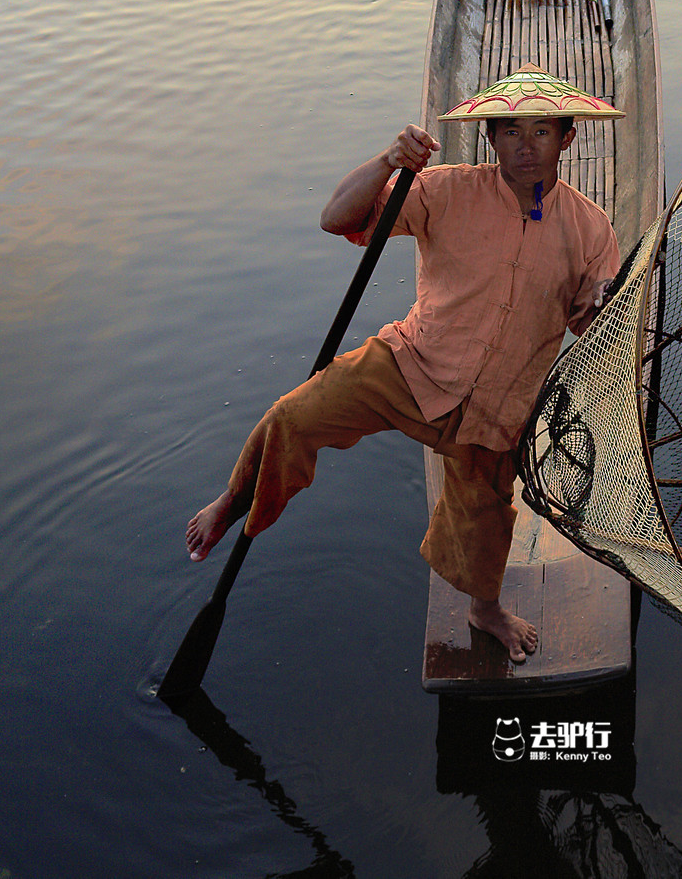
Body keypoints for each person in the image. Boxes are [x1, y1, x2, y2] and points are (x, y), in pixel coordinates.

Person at [184, 71, 623, 662]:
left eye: (542, 131)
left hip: (501, 404)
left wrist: (601, 304)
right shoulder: (443, 191)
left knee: (487, 520)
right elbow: (337, 218)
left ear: (566, 140)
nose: (526, 145)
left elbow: (585, 326)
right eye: (512, 131)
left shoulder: (591, 228)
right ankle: (232, 503)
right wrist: (389, 160)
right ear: (490, 140)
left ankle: (484, 610)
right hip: (411, 367)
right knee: (293, 415)